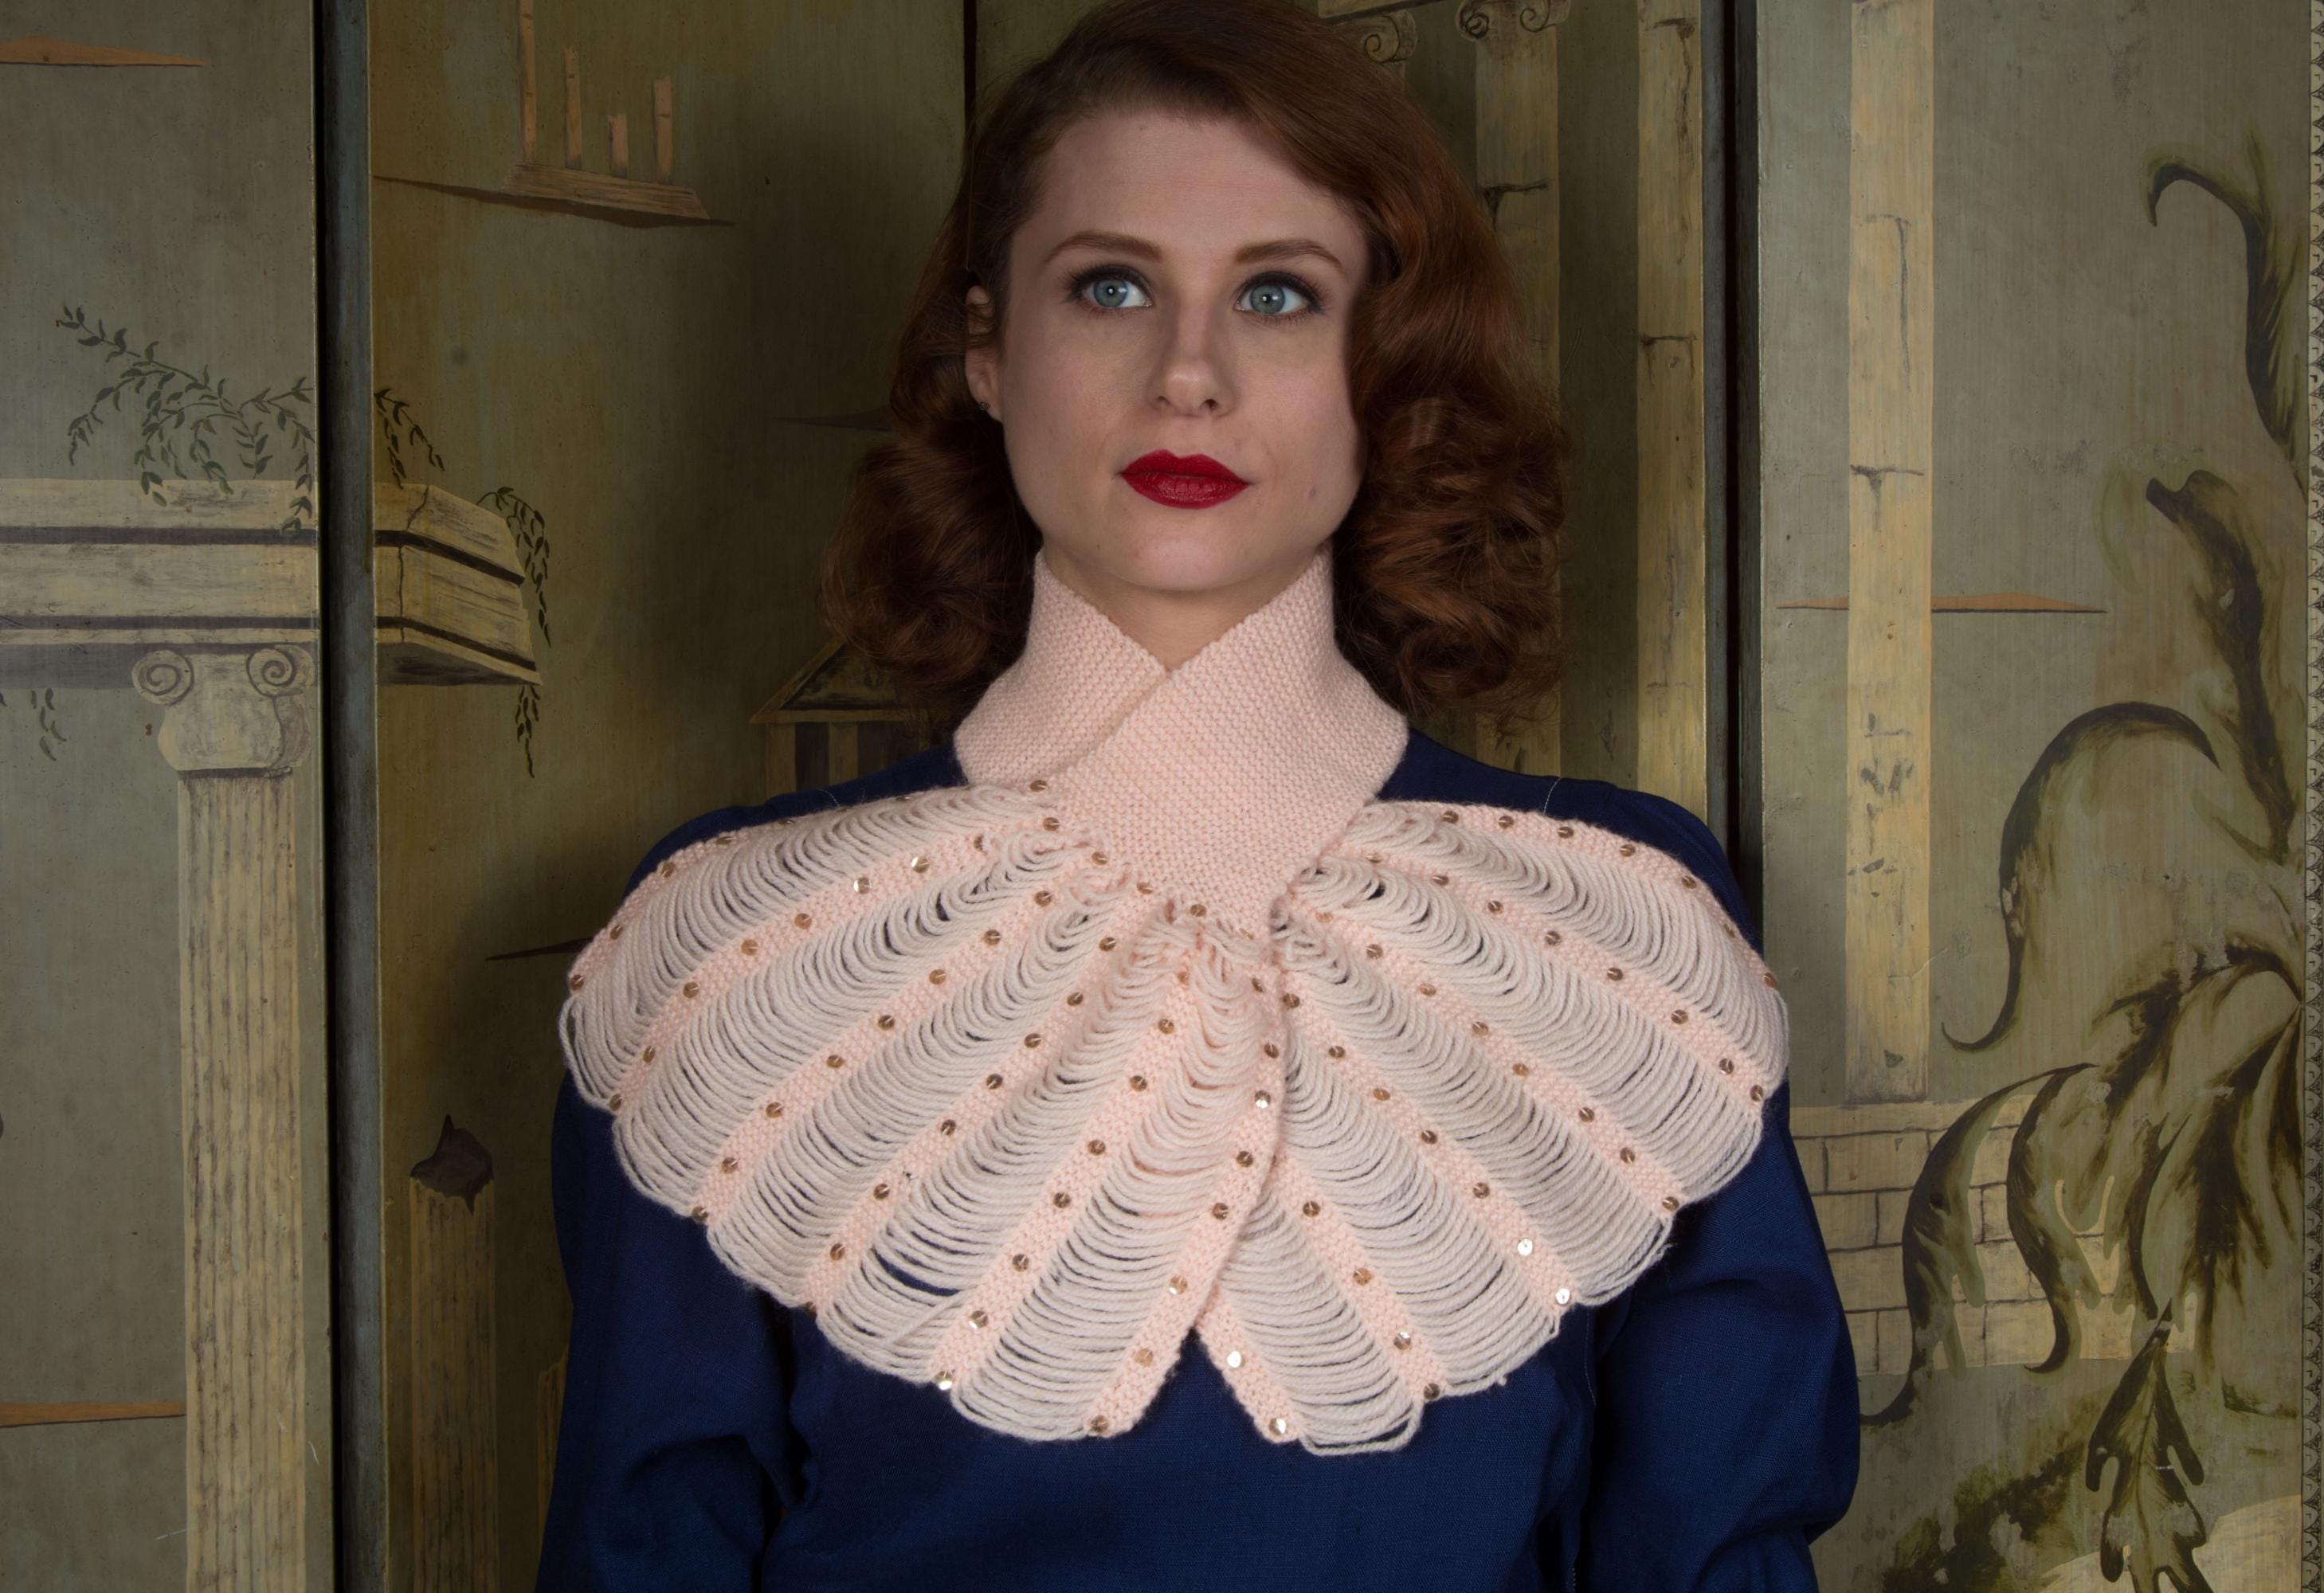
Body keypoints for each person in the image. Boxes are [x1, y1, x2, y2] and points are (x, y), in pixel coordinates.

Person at [536, 2, 1859, 1587]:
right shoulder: (736, 952)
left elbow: (1715, 1548)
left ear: (1382, 368)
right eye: (1111, 286)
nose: (1189, 376)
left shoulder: (1620, 931)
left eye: (1278, 295)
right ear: (987, 349)